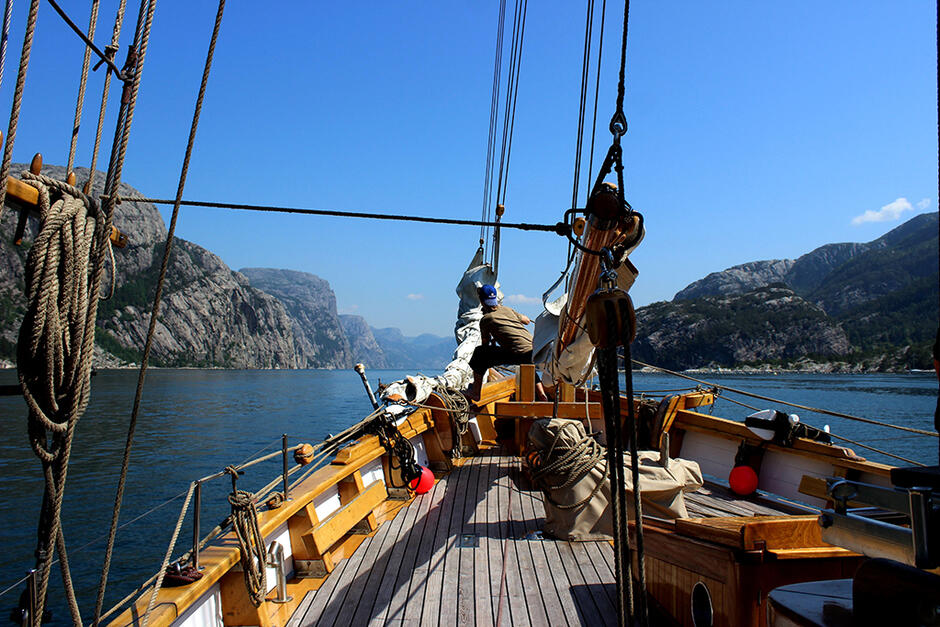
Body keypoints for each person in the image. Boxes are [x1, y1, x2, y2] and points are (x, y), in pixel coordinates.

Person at [468, 284, 548, 402]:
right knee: (527, 364)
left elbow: (485, 344)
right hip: (533, 349)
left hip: (520, 353)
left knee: (480, 354)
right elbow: (526, 321)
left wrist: (494, 340)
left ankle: (475, 393)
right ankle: (542, 395)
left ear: (481, 301)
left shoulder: (486, 319)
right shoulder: (507, 309)